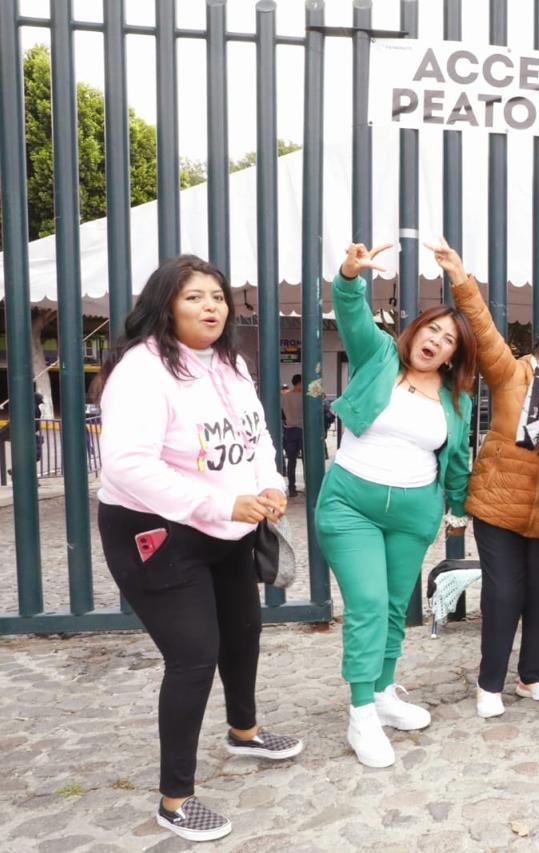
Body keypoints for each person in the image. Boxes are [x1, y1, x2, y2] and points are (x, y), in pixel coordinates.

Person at [95, 255, 302, 843]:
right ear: (164, 304)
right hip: (157, 533)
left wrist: (270, 483)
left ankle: (244, 732)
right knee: (194, 655)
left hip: (228, 528)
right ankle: (176, 799)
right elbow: (128, 465)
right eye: (194, 297)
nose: (211, 307)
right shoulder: (141, 370)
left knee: (243, 633)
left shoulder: (230, 364)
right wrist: (219, 505)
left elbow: (255, 435)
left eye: (217, 297)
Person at [314, 242, 475, 768]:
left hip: (412, 516)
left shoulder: (458, 399)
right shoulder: (378, 357)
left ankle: (382, 693)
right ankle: (361, 713)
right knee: (364, 605)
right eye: (432, 329)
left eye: (448, 339)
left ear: (454, 354)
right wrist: (349, 276)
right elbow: (352, 311)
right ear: (415, 332)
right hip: (351, 506)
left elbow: (455, 460)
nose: (436, 340)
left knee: (391, 608)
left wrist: (455, 508)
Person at [431, 237, 539, 718]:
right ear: (538, 350)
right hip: (499, 504)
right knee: (505, 592)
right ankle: (489, 683)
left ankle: (532, 675)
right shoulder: (511, 374)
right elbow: (483, 327)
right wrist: (460, 277)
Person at [280, 373, 304, 496]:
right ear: (299, 383)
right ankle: (309, 486)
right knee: (307, 460)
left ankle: (292, 488)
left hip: (289, 431)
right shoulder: (304, 396)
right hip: (302, 430)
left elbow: (281, 413)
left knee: (291, 461)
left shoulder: (285, 396)